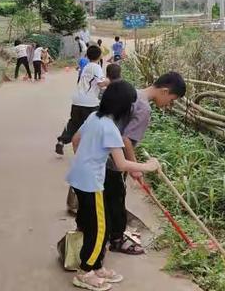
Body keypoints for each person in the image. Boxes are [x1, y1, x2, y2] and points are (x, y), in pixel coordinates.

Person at [67, 80, 160, 291]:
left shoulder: (93, 117)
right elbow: (121, 164)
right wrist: (149, 166)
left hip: (79, 178)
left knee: (96, 224)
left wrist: (84, 160)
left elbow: (75, 140)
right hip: (92, 183)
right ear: (124, 107)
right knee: (99, 229)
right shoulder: (110, 128)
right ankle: (85, 272)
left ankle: (97, 266)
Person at [104, 72, 186, 256]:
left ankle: (107, 232)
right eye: (171, 99)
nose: (169, 105)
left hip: (103, 154)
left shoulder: (133, 93)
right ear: (164, 91)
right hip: (113, 161)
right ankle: (117, 239)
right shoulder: (144, 108)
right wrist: (134, 167)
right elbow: (126, 140)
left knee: (108, 196)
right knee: (116, 197)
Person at [55, 45, 108, 156]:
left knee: (74, 123)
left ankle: (62, 140)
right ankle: (90, 150)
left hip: (77, 100)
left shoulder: (87, 67)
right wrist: (111, 81)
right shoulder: (96, 67)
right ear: (99, 56)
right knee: (93, 124)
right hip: (89, 102)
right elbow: (101, 83)